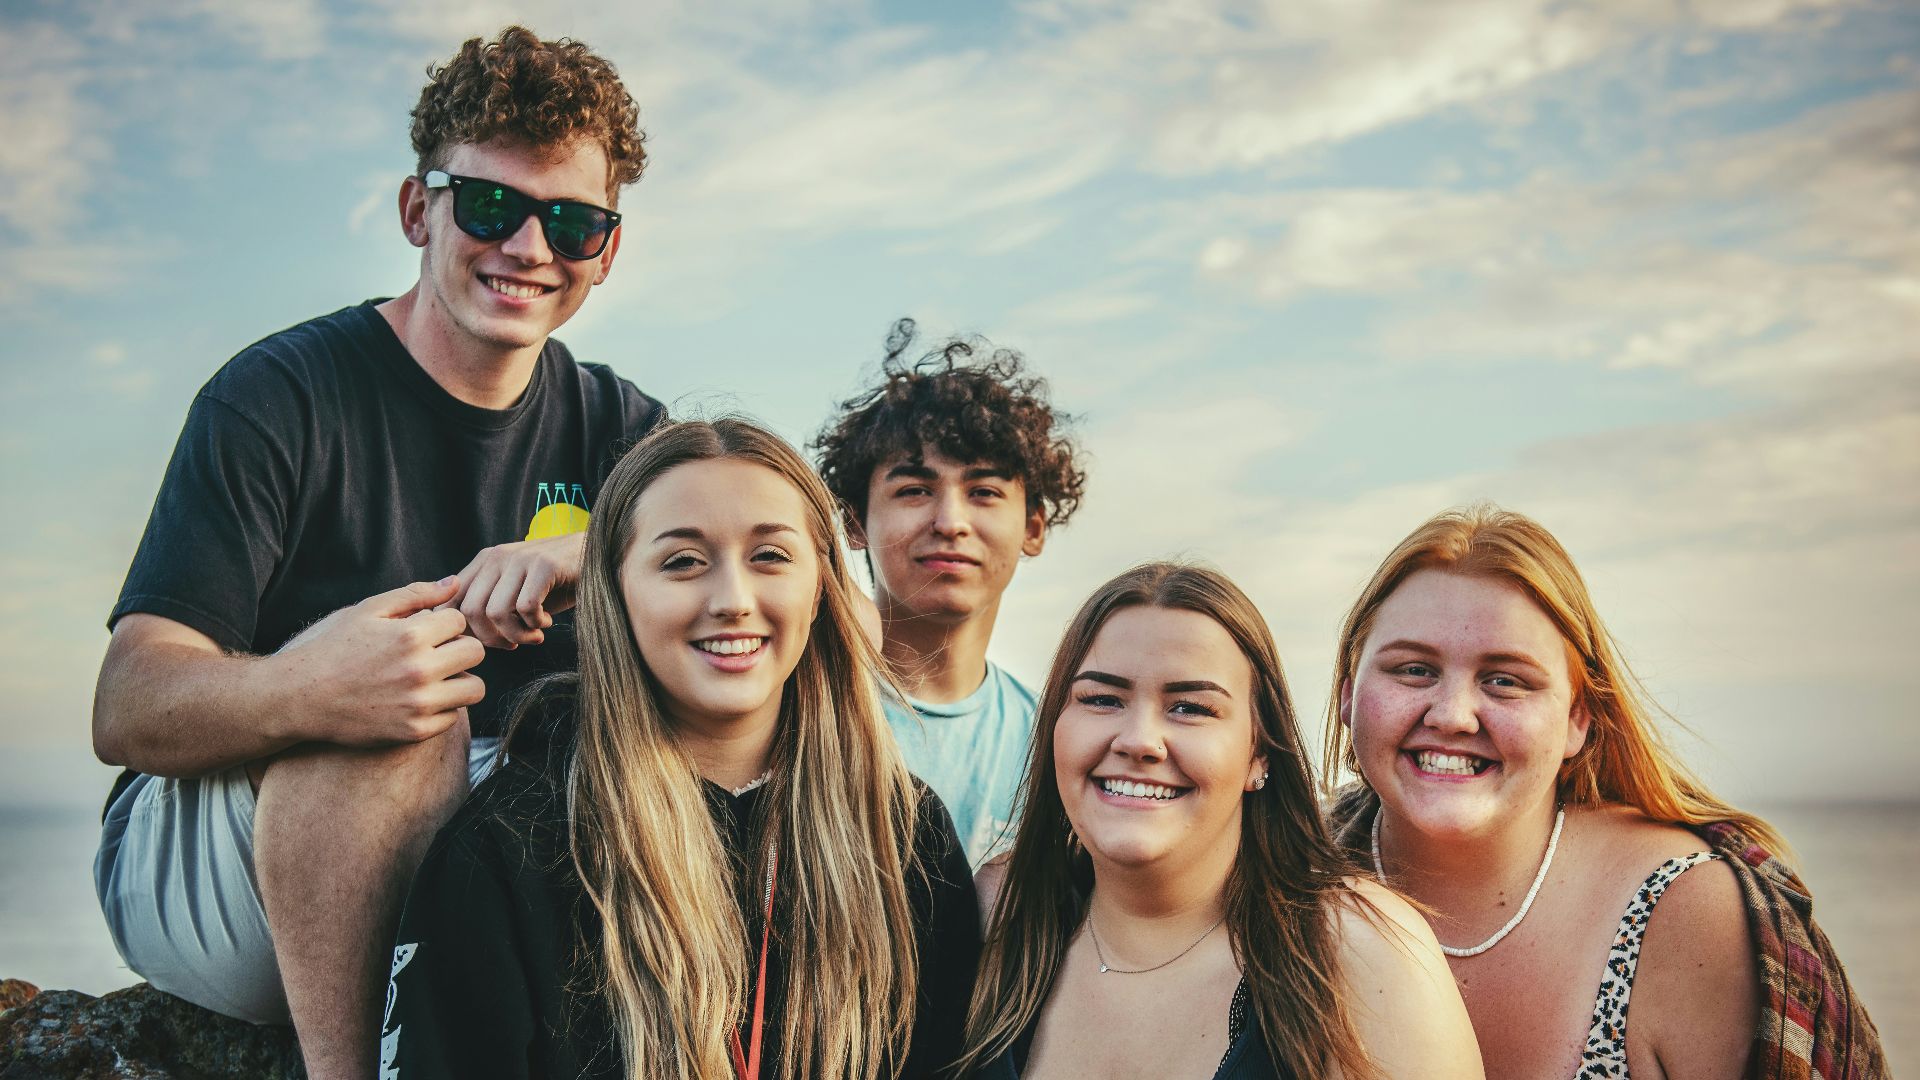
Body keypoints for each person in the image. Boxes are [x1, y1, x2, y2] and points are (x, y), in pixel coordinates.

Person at [89, 27, 663, 1079]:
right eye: (491, 206)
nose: (530, 249)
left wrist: (605, 547)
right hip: (234, 858)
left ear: (607, 251)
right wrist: (310, 689)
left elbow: (779, 574)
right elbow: (126, 706)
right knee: (404, 692)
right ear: (418, 210)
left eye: (572, 223)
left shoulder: (620, 429)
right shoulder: (278, 396)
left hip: (477, 861)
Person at [382, 419, 981, 1079]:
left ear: (820, 590)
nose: (731, 600)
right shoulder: (510, 845)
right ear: (616, 593)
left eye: (771, 557)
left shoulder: (903, 834)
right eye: (682, 562)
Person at [1323, 504, 1887, 1080]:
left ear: (1578, 719)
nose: (1453, 716)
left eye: (1505, 680)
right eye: (1413, 669)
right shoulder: (1282, 879)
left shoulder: (1687, 913)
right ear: (1347, 694)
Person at [961, 563, 1482, 1080]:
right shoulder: (996, 918)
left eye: (1190, 707)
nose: (1139, 740)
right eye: (1101, 699)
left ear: (1259, 754)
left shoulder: (1363, 954)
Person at [813, 318, 1086, 864]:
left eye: (984, 491)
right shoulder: (795, 705)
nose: (950, 521)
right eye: (915, 489)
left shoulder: (1055, 746)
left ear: (1032, 528)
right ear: (854, 522)